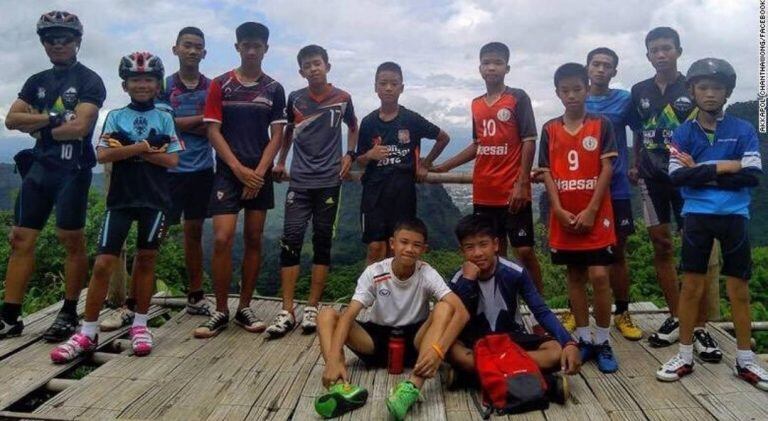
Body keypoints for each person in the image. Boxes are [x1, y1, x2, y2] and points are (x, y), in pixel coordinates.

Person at [50, 52, 182, 362]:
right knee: (103, 264)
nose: (142, 84)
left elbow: (173, 159)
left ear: (157, 83)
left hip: (155, 200)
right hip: (121, 200)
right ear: (125, 84)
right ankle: (87, 331)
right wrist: (143, 147)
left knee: (146, 260)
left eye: (148, 79)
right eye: (135, 79)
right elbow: (101, 155)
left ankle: (140, 324)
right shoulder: (116, 116)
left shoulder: (164, 116)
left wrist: (128, 149)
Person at [656, 58, 767, 391]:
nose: (709, 93)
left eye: (716, 87)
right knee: (691, 287)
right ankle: (685, 355)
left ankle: (746, 360)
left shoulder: (743, 129)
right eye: (702, 87)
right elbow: (676, 177)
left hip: (734, 216)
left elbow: (751, 176)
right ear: (692, 90)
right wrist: (724, 168)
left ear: (727, 92)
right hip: (698, 216)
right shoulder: (684, 131)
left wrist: (700, 170)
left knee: (739, 291)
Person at [99, 26, 214, 332]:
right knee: (151, 244)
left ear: (204, 52)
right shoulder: (162, 86)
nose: (192, 51)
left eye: (197, 46)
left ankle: (195, 295)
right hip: (165, 174)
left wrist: (181, 126)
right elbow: (164, 124)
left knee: (194, 233)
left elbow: (214, 124)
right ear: (175, 49)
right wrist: (199, 122)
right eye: (186, 45)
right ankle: (131, 307)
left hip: (201, 169)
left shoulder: (211, 87)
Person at [1, 11, 106, 342]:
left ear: (77, 42)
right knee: (21, 239)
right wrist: (53, 118)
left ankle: (68, 312)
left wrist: (39, 122)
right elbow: (10, 120)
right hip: (40, 170)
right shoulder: (36, 81)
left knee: (71, 240)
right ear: (43, 43)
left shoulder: (90, 80)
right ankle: (9, 317)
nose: (58, 44)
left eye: (65, 39)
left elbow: (79, 128)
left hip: (72, 171)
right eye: (50, 39)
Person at [313, 219, 469, 420]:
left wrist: (438, 352)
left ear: (424, 249)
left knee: (445, 306)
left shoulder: (426, 273)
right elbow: (348, 316)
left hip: (416, 342)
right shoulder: (375, 272)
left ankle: (412, 388)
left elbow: (461, 312)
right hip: (375, 340)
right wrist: (333, 359)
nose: (409, 249)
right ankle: (339, 386)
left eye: (416, 245)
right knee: (326, 315)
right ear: (392, 243)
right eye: (404, 242)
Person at [193, 22, 286, 338]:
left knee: (255, 238)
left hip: (258, 172)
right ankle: (220, 310)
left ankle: (244, 307)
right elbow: (213, 130)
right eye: (245, 45)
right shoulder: (221, 85)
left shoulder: (273, 88)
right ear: (237, 47)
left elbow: (277, 135)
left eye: (256, 45)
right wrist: (237, 169)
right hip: (228, 172)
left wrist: (258, 173)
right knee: (222, 238)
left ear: (265, 49)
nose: (251, 50)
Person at [433, 42, 543, 297]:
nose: (491, 67)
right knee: (495, 253)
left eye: (497, 62)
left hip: (512, 190)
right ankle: (503, 305)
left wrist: (522, 182)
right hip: (484, 191)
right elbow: (478, 145)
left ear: (507, 67)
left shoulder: (517, 97)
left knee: (524, 251)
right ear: (480, 68)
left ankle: (540, 305)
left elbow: (529, 139)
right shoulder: (476, 104)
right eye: (487, 63)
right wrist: (443, 167)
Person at [266, 45, 358, 338]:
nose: (313, 69)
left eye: (317, 63)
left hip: (330, 180)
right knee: (290, 240)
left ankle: (312, 307)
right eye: (308, 65)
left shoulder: (343, 98)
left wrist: (350, 155)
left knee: (322, 242)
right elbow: (288, 132)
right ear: (301, 71)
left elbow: (353, 126)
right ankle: (287, 309)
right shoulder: (296, 99)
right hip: (300, 180)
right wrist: (281, 161)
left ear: (327, 66)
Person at [630, 27, 713, 348]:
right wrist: (634, 161)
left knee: (696, 247)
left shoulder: (692, 88)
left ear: (678, 50)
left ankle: (701, 324)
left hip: (688, 179)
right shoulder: (639, 91)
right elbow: (638, 130)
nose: (661, 54)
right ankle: (678, 316)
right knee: (661, 245)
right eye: (655, 50)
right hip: (652, 179)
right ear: (648, 55)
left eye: (667, 48)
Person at [445, 214, 580, 401]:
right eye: (470, 247)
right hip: (476, 341)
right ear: (462, 251)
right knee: (453, 350)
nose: (477, 253)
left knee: (555, 352)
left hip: (511, 337)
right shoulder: (458, 279)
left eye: (483, 244)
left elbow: (540, 310)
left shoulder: (514, 272)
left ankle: (472, 378)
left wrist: (568, 342)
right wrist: (468, 281)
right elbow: (451, 318)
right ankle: (541, 383)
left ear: (495, 244)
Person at [538, 63, 619, 373]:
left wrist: (592, 210)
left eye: (577, 89)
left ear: (586, 89)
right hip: (564, 215)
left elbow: (607, 169)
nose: (571, 95)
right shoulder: (550, 129)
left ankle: (603, 339)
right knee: (574, 276)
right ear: (558, 93)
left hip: (596, 214)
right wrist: (557, 210)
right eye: (565, 90)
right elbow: (546, 172)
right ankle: (584, 339)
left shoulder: (602, 125)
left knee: (599, 276)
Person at [355, 62, 450, 264]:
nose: (388, 88)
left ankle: (393, 295)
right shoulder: (368, 122)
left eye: (394, 83)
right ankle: (370, 294)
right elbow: (359, 160)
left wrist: (426, 164)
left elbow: (443, 137)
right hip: (374, 194)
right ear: (375, 87)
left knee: (397, 248)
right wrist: (370, 155)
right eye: (383, 83)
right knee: (375, 247)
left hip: (403, 194)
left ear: (401, 88)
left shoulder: (411, 119)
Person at [582, 47, 642, 340]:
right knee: (578, 252)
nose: (601, 69)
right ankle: (575, 309)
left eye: (607, 65)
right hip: (582, 186)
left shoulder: (624, 100)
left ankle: (623, 311)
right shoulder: (578, 97)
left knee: (618, 251)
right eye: (596, 64)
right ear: (588, 67)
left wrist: (636, 161)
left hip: (616, 186)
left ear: (614, 71)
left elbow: (640, 130)